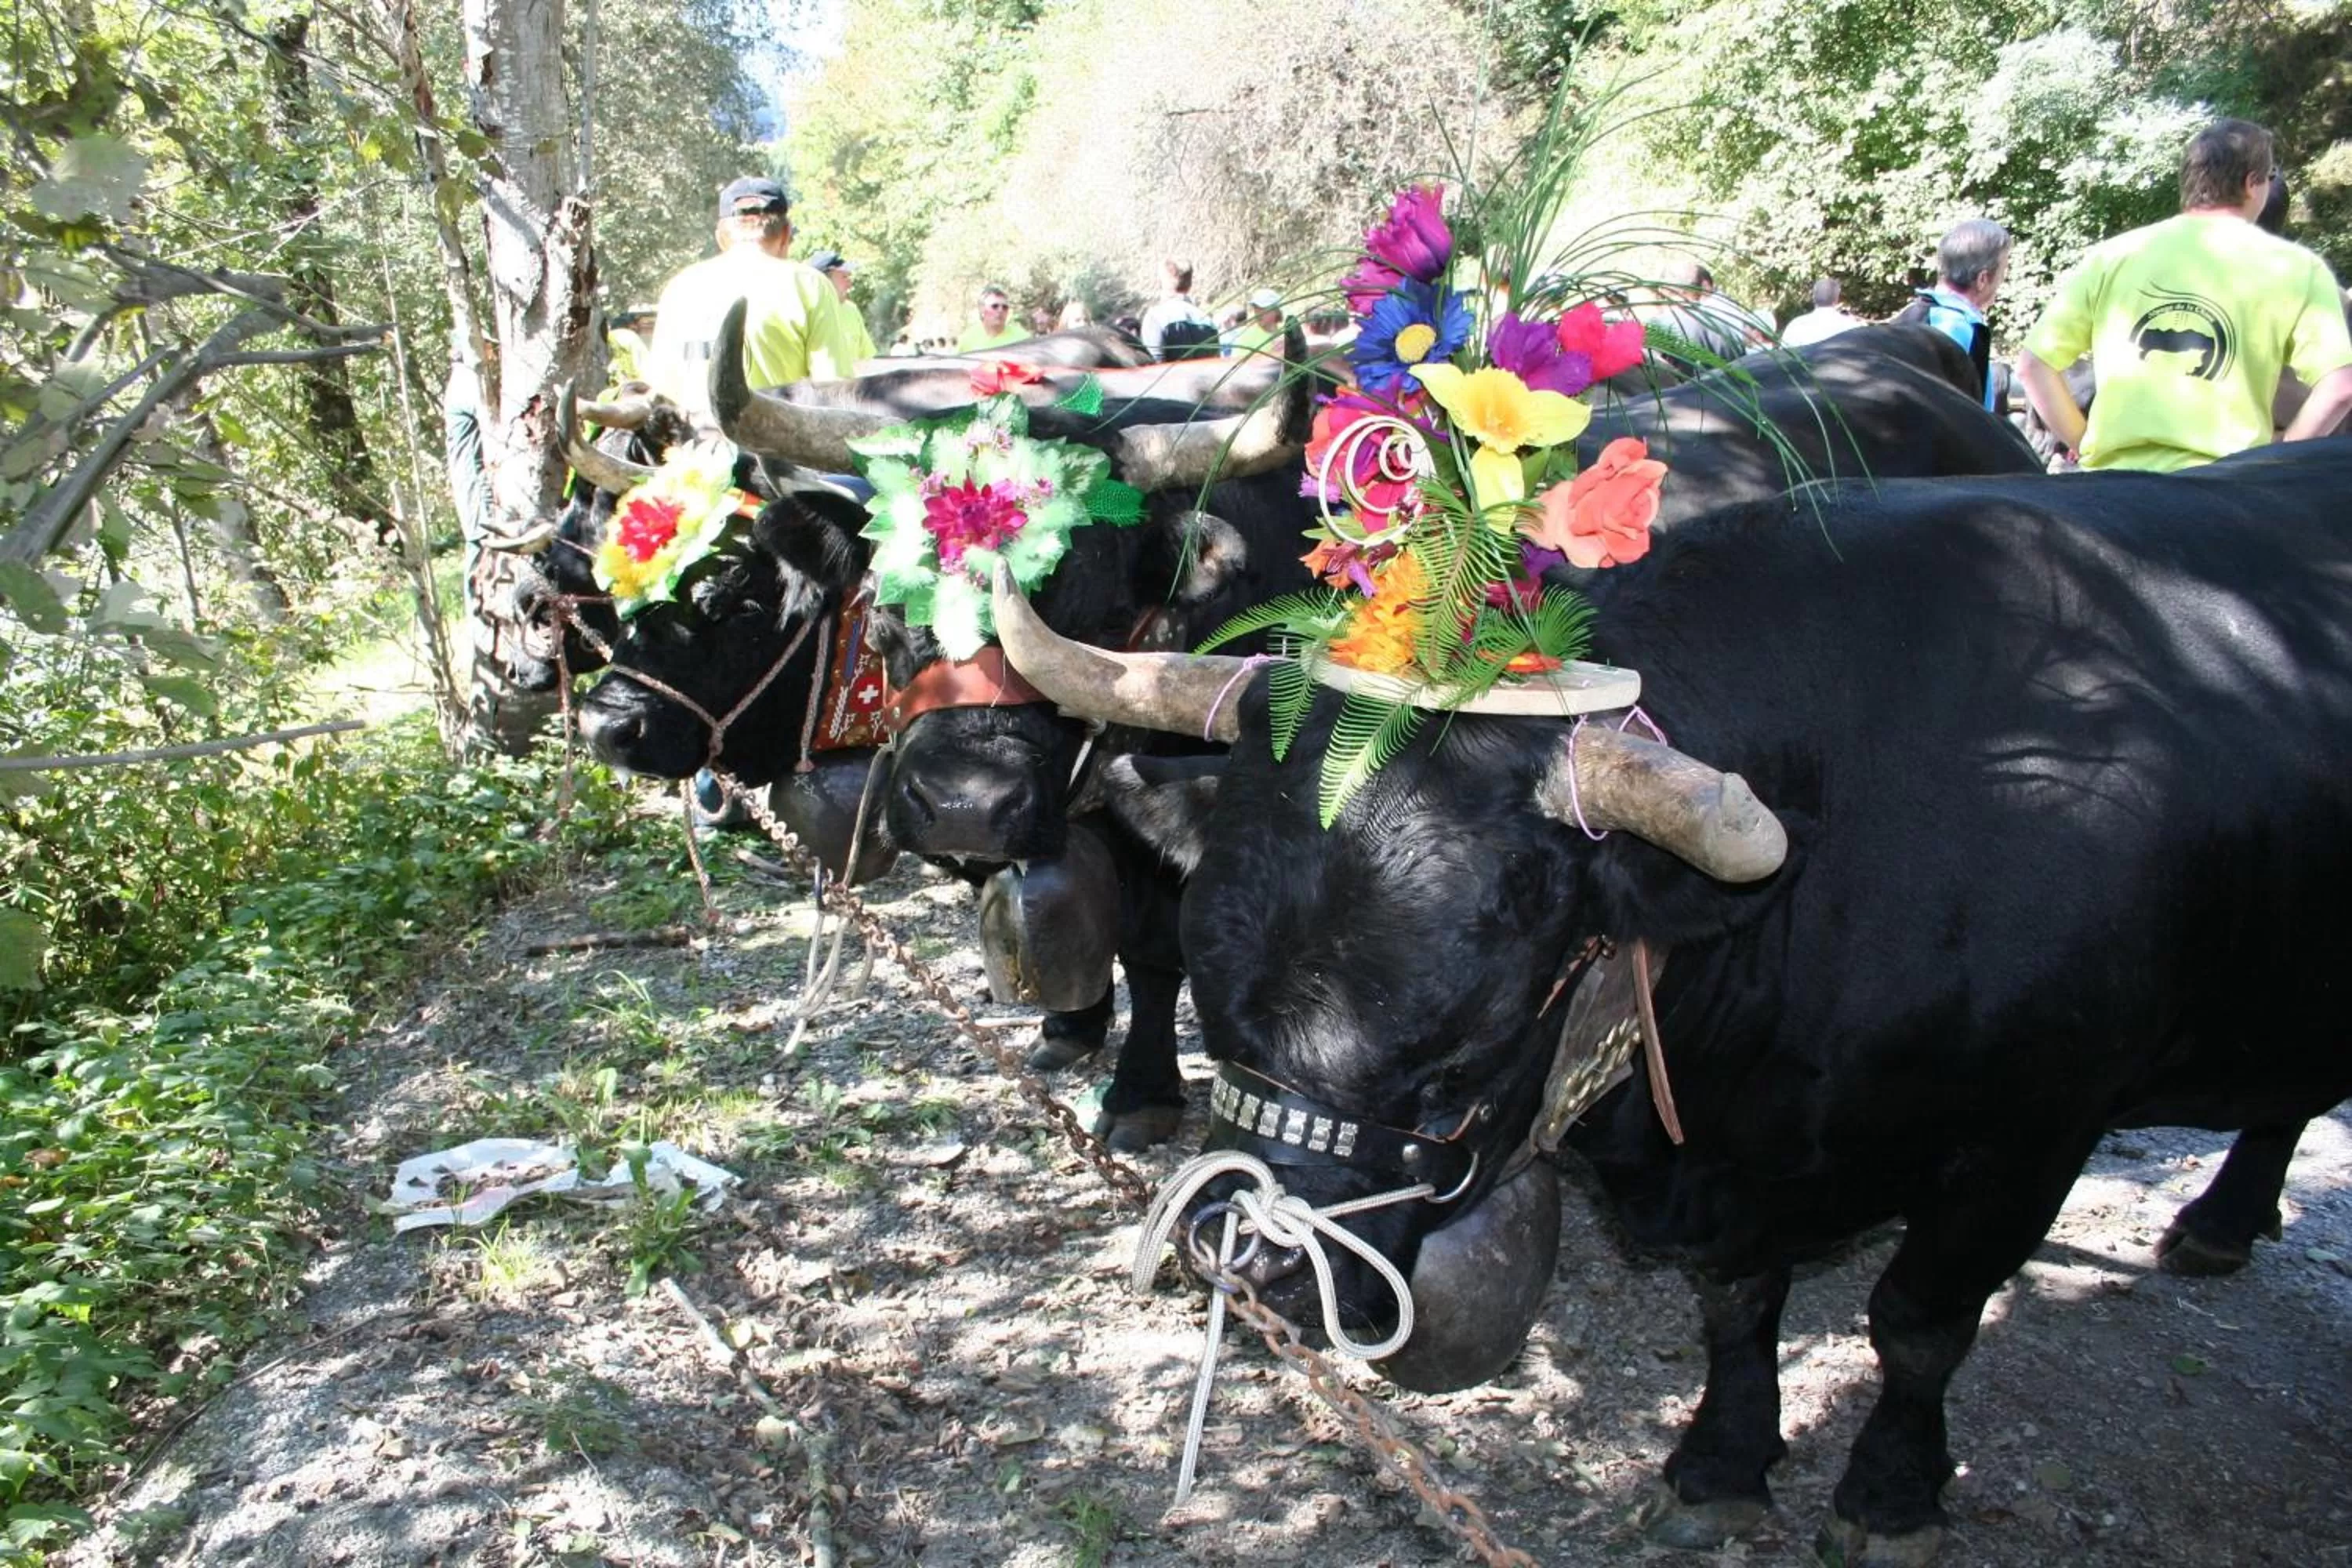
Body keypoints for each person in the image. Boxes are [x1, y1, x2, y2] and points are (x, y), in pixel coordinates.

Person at [2020, 119, 2352, 471]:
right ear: (2252, 182)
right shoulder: (2296, 268)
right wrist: (2279, 454)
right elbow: (2341, 386)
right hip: (2230, 488)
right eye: (2269, 178)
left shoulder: (2113, 256)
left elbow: (2032, 366)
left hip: (2113, 492)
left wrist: (2085, 443)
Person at [643, 176, 861, 428]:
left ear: (721, 237)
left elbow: (662, 391)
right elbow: (833, 390)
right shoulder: (809, 284)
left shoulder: (680, 286)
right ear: (786, 234)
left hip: (697, 454)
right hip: (777, 455)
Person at [1893, 220, 2009, 411]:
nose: (2002, 282)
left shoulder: (1909, 313)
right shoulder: (1964, 331)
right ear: (1982, 279)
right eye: (2003, 272)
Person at [1138, 259, 1219, 361]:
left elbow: (1153, 368)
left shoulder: (1156, 318)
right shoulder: (1208, 321)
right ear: (1190, 285)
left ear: (1162, 282)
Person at [805, 249, 877, 364]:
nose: (850, 284)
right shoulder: (804, 314)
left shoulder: (851, 311)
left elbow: (867, 359)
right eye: (844, 277)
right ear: (824, 281)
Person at [1780, 278, 1863, 347]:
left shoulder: (1796, 325)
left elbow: (1783, 356)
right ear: (1837, 299)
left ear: (1814, 298)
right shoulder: (1852, 327)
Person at [956, 285, 1029, 352]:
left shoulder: (1023, 339)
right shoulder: (967, 339)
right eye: (995, 306)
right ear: (982, 309)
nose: (1000, 310)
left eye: (1005, 307)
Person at [1228, 287, 1287, 357]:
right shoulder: (1246, 336)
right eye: (1256, 308)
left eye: (1263, 308)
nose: (1258, 313)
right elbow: (1236, 363)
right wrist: (1273, 355)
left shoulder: (1286, 332)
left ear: (1276, 311)